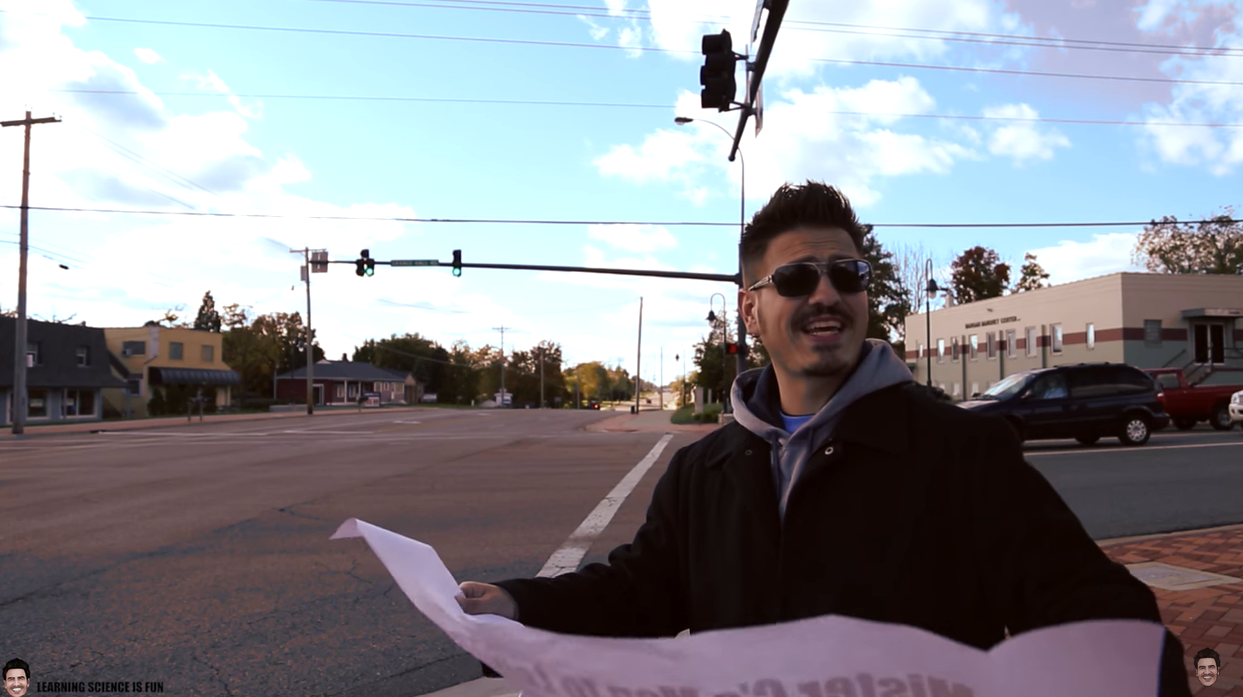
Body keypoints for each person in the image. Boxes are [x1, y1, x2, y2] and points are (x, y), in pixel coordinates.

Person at [457, 181, 1191, 696]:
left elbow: (1084, 601)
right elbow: (638, 593)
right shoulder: (701, 471)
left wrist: (1125, 665)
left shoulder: (959, 451)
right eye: (797, 276)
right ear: (749, 309)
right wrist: (514, 608)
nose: (825, 292)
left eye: (846, 273)